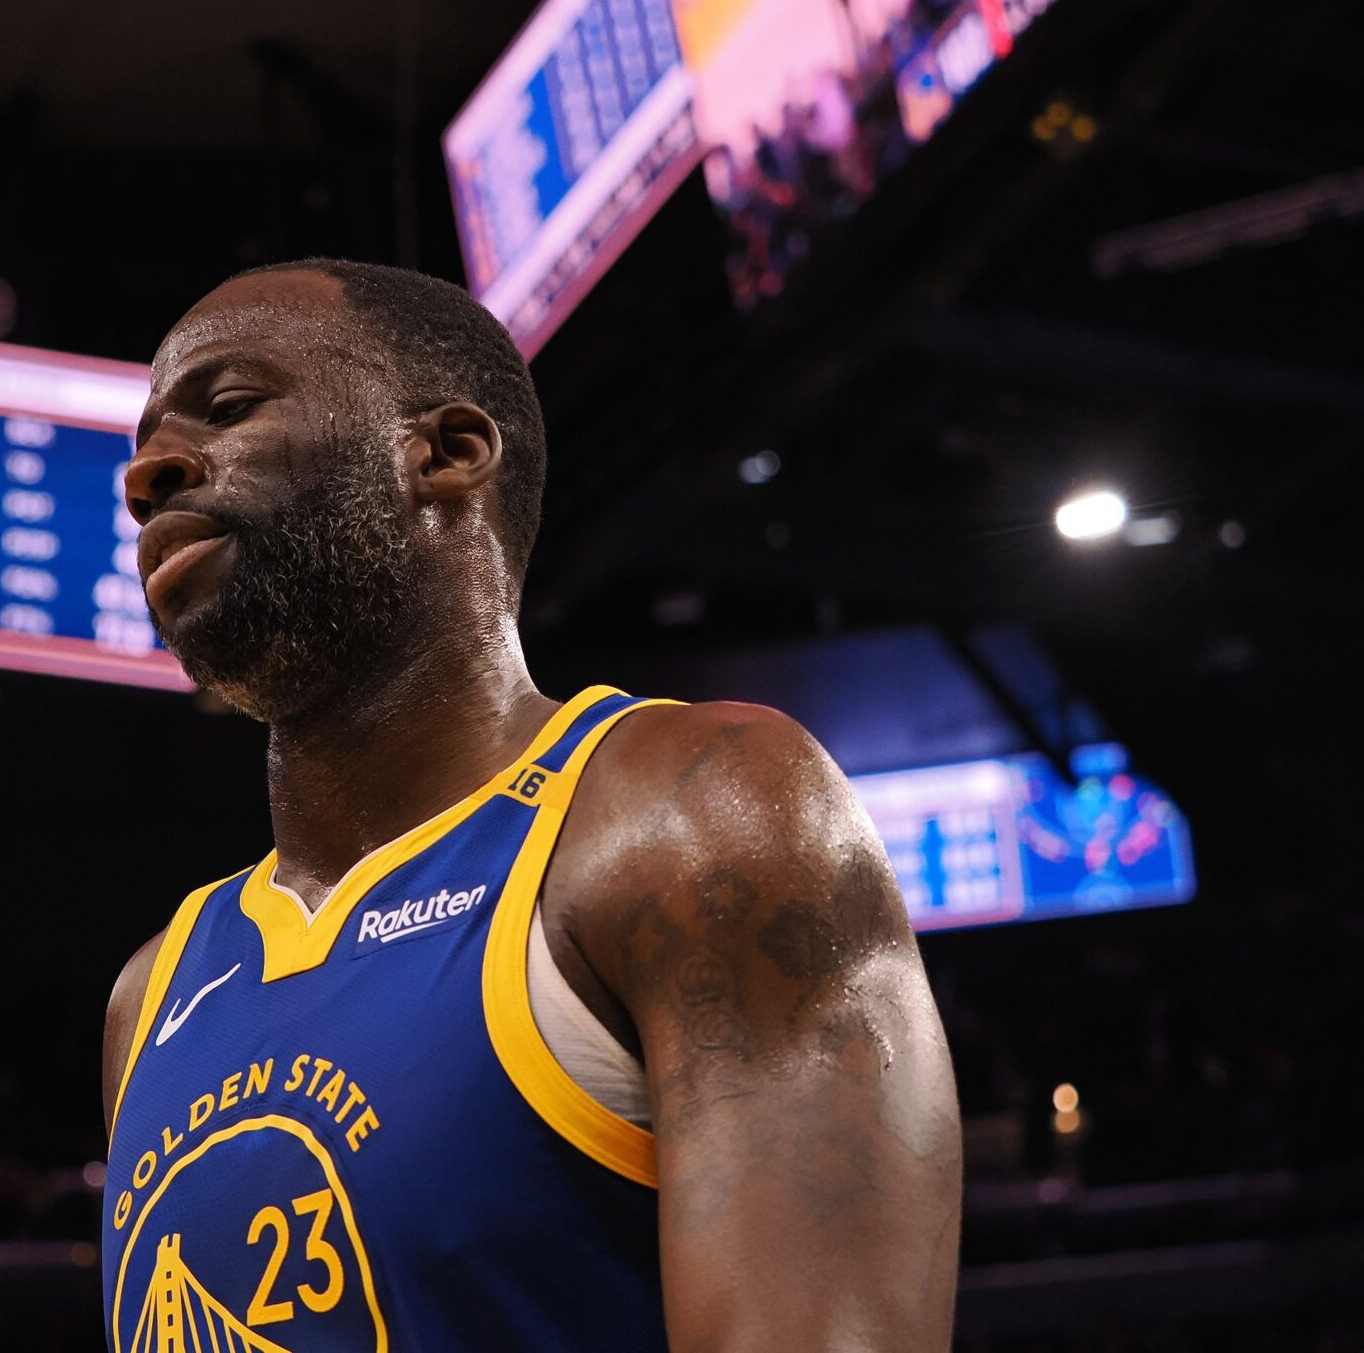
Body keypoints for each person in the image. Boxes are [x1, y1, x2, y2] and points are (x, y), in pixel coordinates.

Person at [100, 259, 961, 1352]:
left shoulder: (689, 817)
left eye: (225, 409)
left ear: (446, 455)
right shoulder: (152, 995)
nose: (149, 474)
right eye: (141, 449)